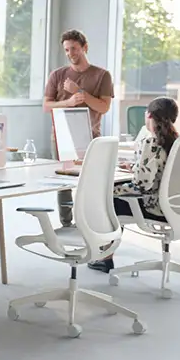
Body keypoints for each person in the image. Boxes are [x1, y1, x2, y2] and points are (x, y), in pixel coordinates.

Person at [88, 97, 179, 273]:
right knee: (111, 193)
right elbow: (158, 170)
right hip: (175, 204)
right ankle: (104, 252)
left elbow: (141, 185)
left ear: (149, 115)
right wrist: (136, 167)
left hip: (154, 206)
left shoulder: (151, 142)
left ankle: (104, 256)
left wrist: (112, 187)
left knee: (107, 197)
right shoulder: (176, 141)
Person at [43, 29, 115, 226]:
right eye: (66, 49)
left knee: (90, 181)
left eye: (74, 48)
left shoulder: (102, 75)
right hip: (61, 136)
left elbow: (104, 107)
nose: (70, 53)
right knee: (64, 183)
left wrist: (80, 92)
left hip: (91, 137)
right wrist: (69, 101)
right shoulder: (57, 75)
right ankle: (66, 224)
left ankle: (89, 222)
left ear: (85, 47)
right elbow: (46, 106)